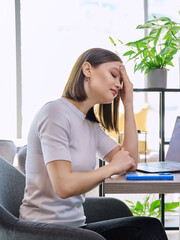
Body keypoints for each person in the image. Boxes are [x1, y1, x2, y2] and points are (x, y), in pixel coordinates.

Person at [19, 48, 168, 240]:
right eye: (114, 75)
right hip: (42, 230)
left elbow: (130, 162)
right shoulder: (55, 113)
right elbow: (63, 186)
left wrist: (128, 103)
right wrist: (112, 167)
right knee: (146, 231)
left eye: (121, 80)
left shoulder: (90, 125)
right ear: (87, 70)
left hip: (77, 226)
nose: (118, 83)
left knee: (148, 227)